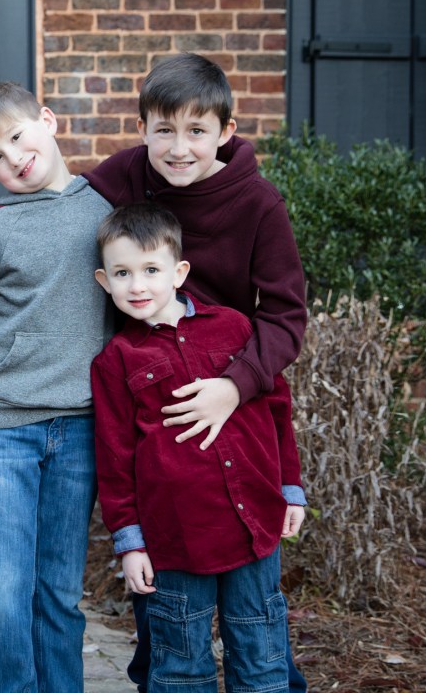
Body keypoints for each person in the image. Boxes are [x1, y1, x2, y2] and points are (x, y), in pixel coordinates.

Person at [0, 53, 309, 691]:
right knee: (169, 605)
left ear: (225, 132)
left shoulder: (258, 204)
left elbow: (285, 318)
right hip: (146, 403)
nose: (177, 148)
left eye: (197, 132)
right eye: (162, 131)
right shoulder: (127, 176)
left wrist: (236, 385)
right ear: (142, 131)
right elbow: (57, 203)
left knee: (255, 616)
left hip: (230, 394)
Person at [0, 82, 113, 692]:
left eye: (16, 137)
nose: (14, 159)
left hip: (80, 431)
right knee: (4, 593)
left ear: (48, 120)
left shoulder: (108, 215)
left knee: (58, 594)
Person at [90, 201, 306, 692]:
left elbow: (277, 411)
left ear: (179, 272)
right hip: (176, 539)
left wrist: (289, 486)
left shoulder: (235, 328)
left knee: (262, 657)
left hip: (255, 523)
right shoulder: (117, 360)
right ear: (104, 281)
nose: (137, 285)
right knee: (181, 663)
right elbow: (115, 458)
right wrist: (129, 541)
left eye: (150, 269)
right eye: (122, 273)